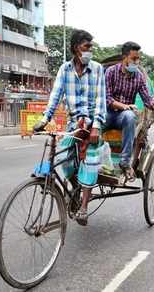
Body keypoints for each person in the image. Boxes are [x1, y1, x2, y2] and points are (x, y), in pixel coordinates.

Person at [34, 29, 106, 226]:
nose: (90, 51)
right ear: (76, 48)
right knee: (63, 159)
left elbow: (101, 100)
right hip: (73, 124)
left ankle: (83, 207)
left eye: (91, 47)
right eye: (86, 47)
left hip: (93, 123)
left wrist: (97, 126)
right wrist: (44, 119)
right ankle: (76, 187)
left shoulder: (98, 69)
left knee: (89, 160)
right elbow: (55, 96)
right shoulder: (64, 70)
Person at [105, 41, 154, 178]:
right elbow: (107, 99)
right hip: (108, 112)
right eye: (134, 59)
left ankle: (125, 163)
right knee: (92, 121)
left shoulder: (139, 77)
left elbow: (149, 101)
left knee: (130, 116)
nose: (137, 62)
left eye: (138, 58)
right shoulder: (111, 72)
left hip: (124, 116)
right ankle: (90, 159)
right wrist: (124, 106)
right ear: (125, 58)